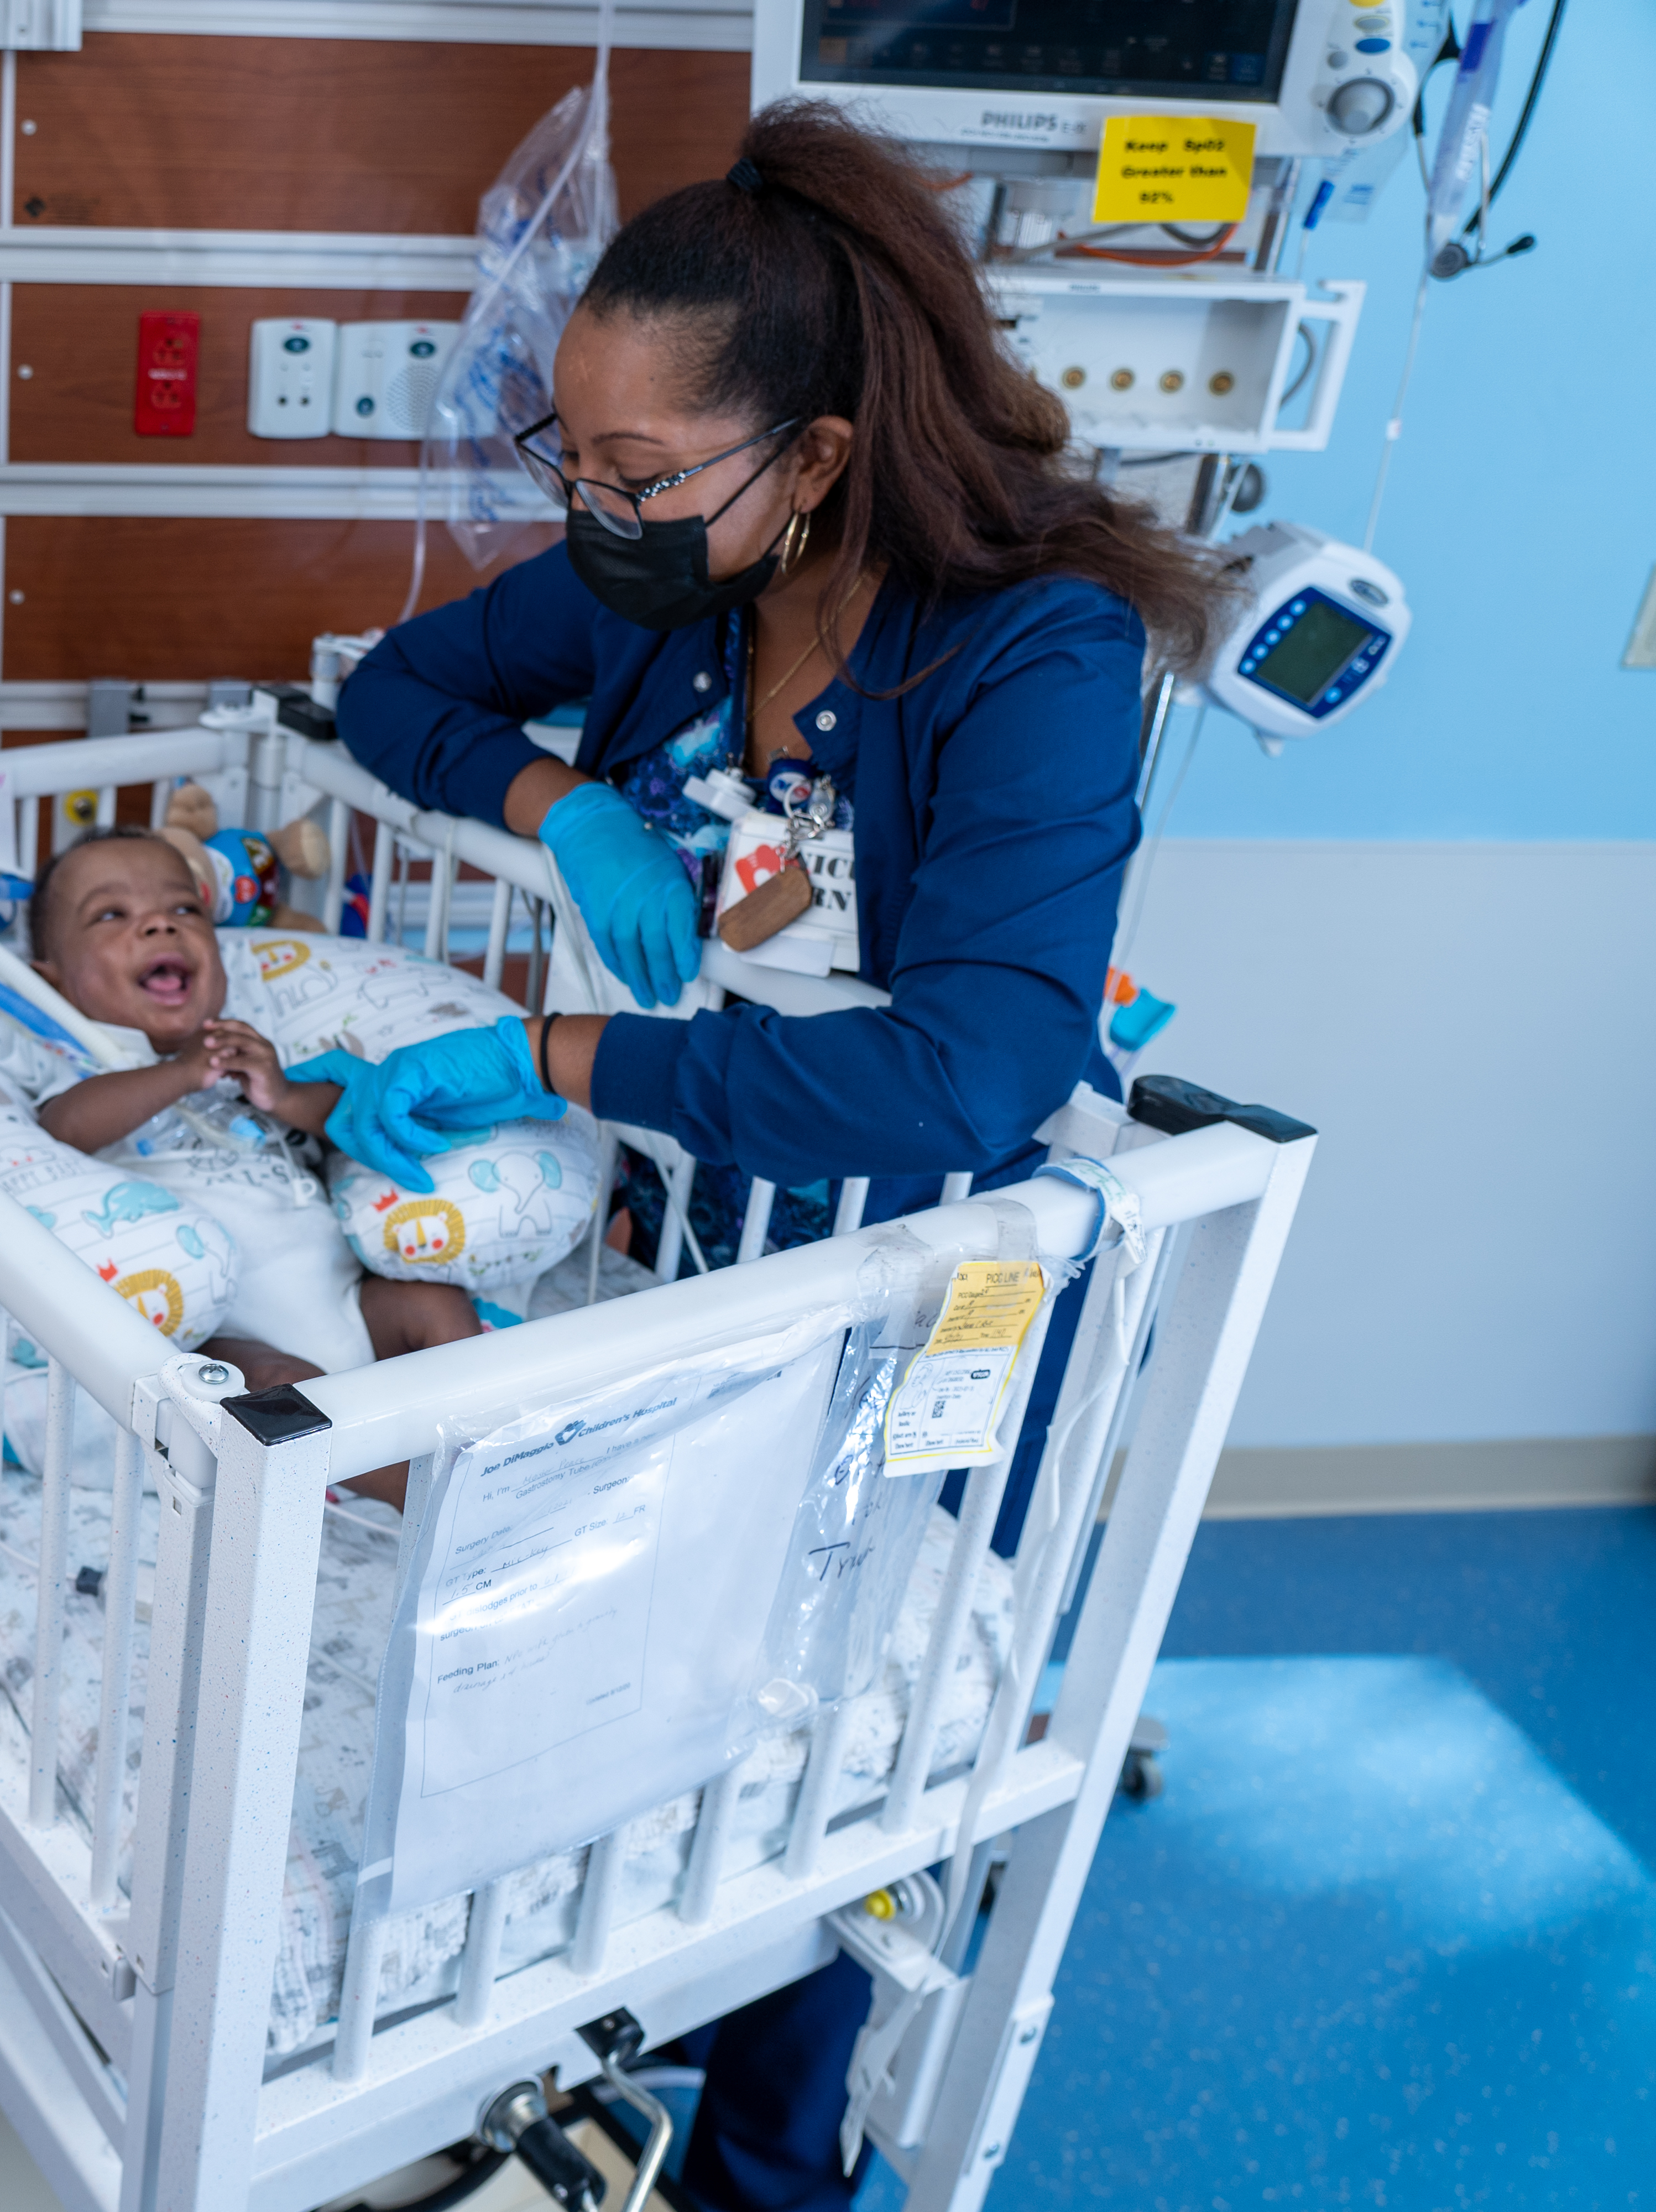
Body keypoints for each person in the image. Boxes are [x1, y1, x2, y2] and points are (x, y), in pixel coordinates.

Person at [320, 102, 1234, 2212]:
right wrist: (563, 799)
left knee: (840, 1775)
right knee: (668, 1710)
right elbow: (399, 695)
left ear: (814, 455)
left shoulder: (1028, 647)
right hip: (707, 1235)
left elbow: (963, 1075)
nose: (595, 508)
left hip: (935, 1277)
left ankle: (760, 2171)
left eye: (637, 473)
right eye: (576, 460)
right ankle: (589, 2067)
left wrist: (568, 1042)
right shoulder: (668, 598)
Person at [19, 828, 480, 1504]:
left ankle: (483, 1441)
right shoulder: (87, 1068)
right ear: (51, 978)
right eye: (111, 915)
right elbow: (64, 1127)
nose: (158, 923)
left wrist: (286, 1094)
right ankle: (430, 1501)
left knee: (432, 1303)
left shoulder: (251, 1053)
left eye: (185, 910)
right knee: (266, 1382)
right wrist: (178, 1074)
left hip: (348, 1301)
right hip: (229, 1333)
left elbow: (348, 1122)